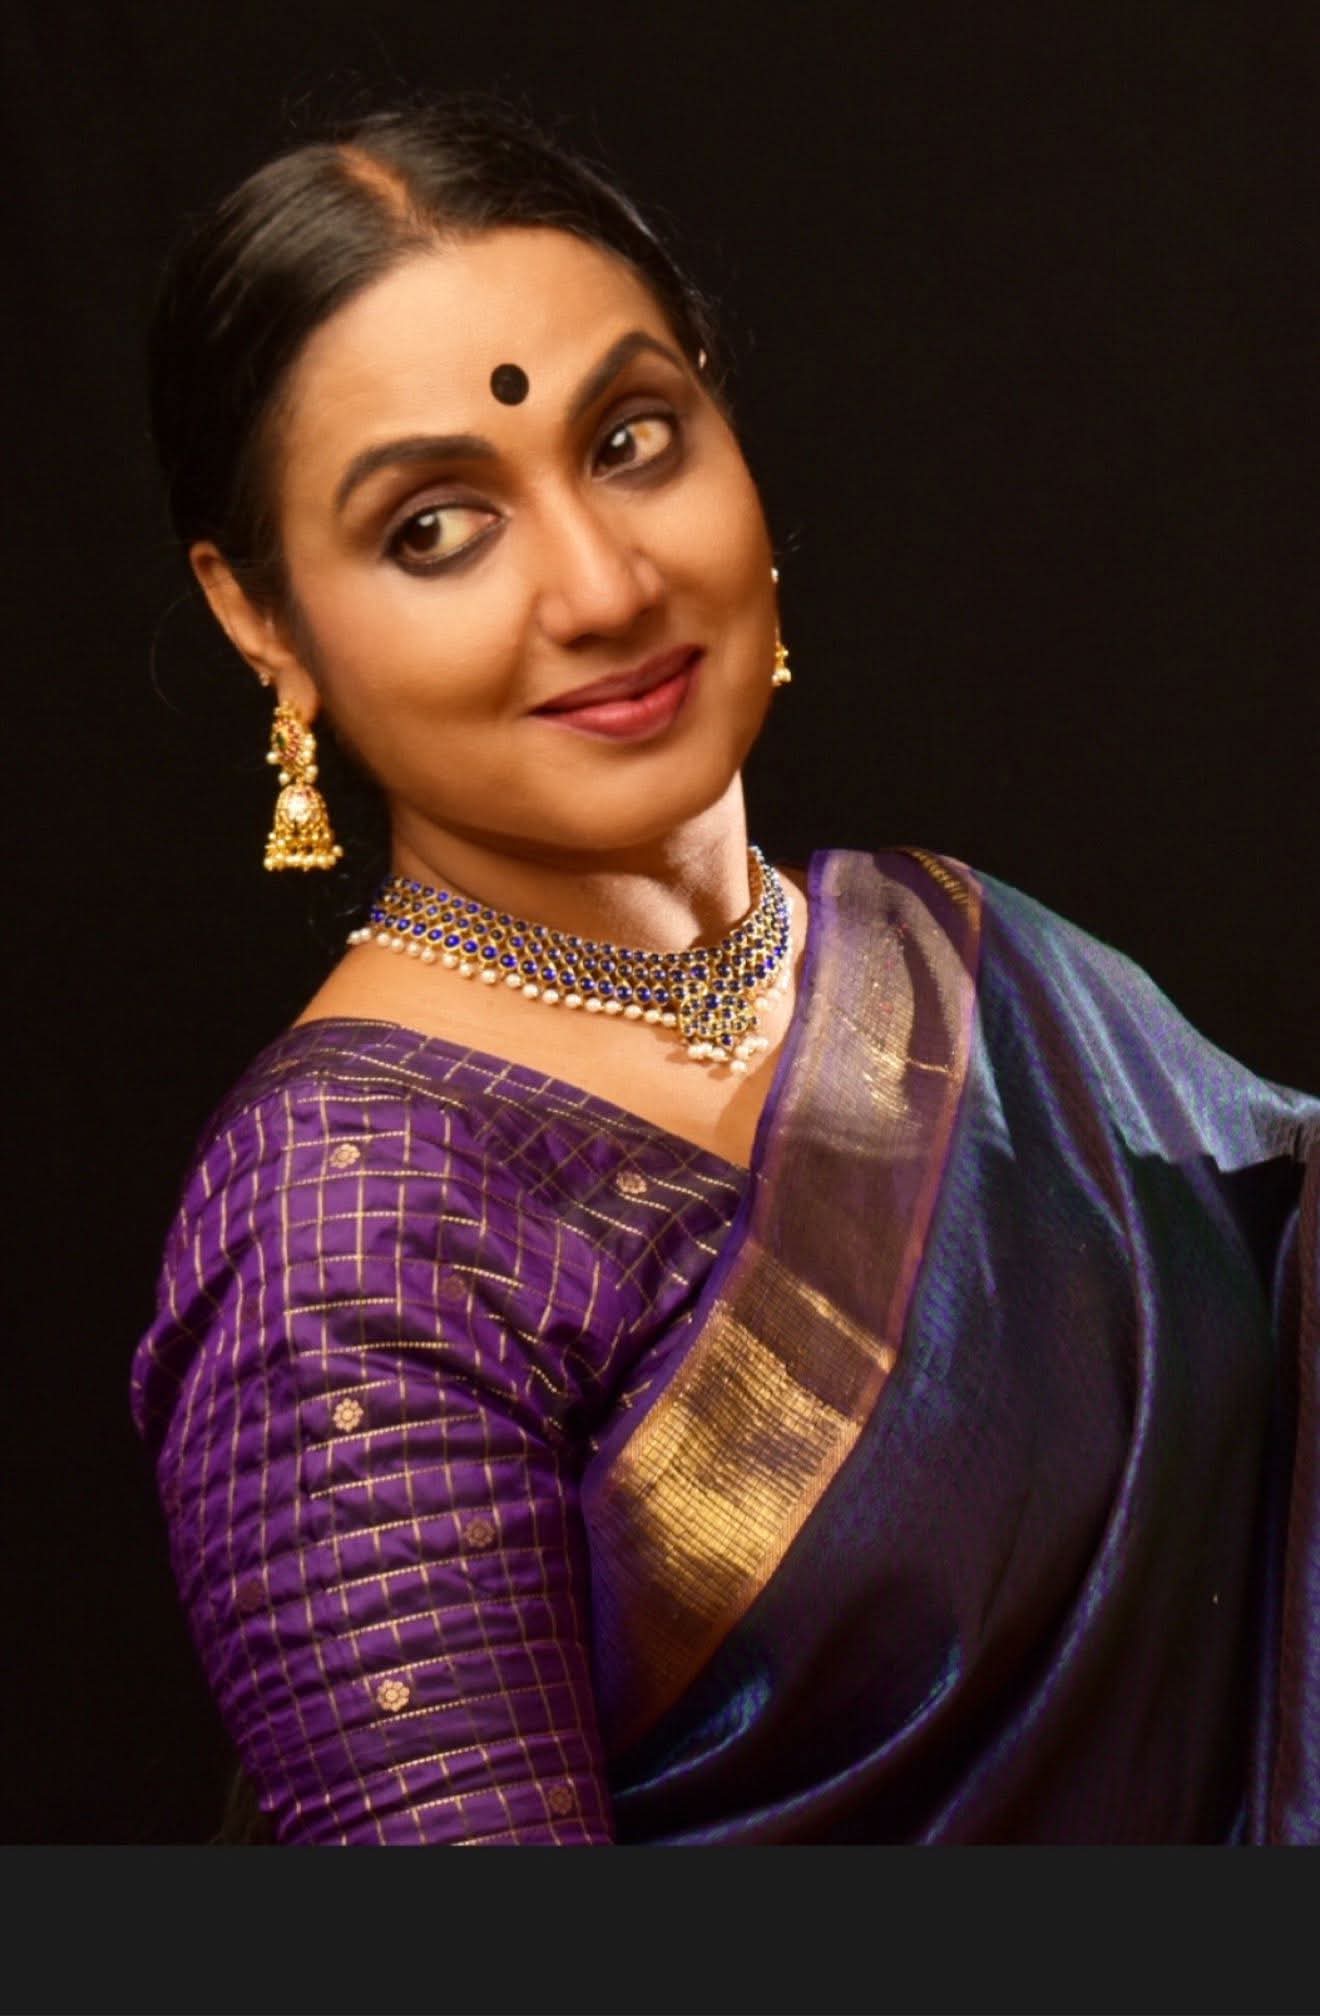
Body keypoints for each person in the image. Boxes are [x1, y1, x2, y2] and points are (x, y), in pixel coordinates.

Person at [132, 98, 1319, 1846]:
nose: (604, 587)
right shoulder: (345, 1230)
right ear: (261, 620)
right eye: (437, 528)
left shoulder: (963, 951)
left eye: (631, 440)